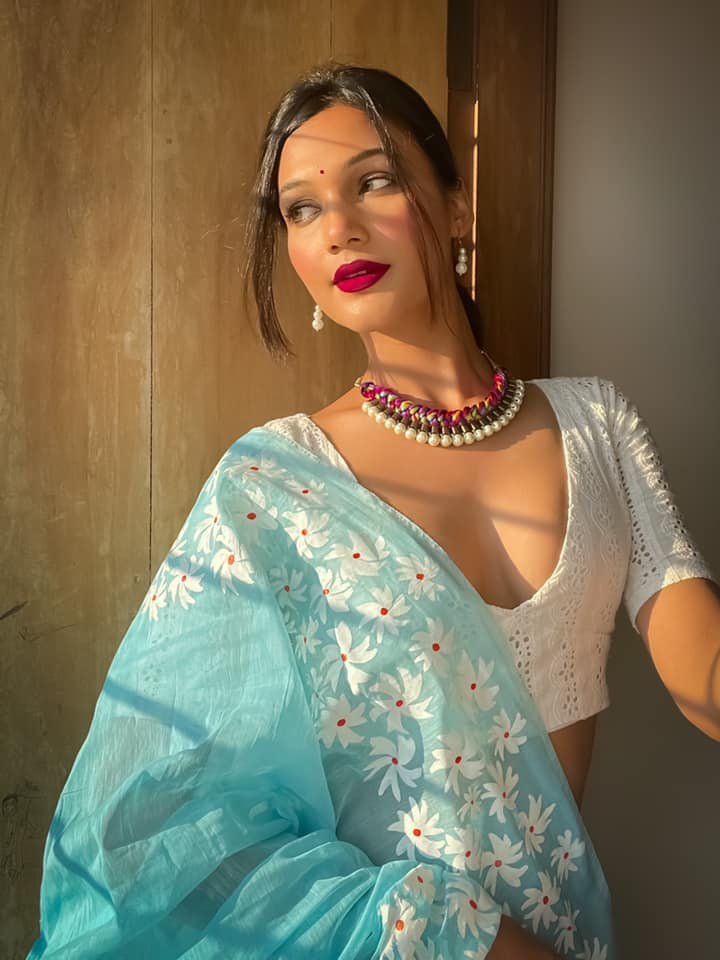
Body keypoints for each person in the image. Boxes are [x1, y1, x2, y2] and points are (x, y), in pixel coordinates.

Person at [28, 63, 718, 960]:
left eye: (376, 181)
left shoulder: (596, 424)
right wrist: (445, 928)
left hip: (565, 933)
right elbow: (158, 817)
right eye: (302, 208)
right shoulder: (275, 486)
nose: (339, 227)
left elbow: (702, 670)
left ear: (457, 207)